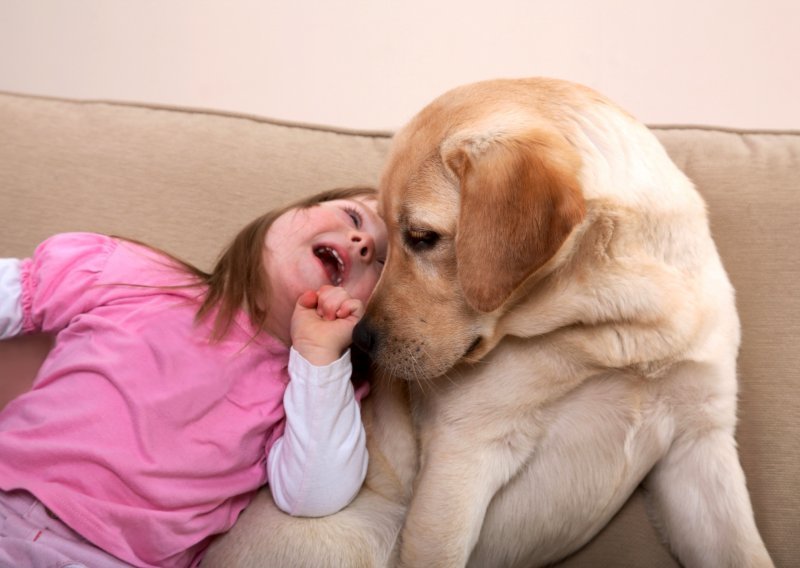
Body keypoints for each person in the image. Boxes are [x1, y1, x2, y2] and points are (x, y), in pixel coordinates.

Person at [0, 186, 388, 568]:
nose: (362, 242)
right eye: (353, 216)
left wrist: (319, 357)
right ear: (285, 214)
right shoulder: (135, 274)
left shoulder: (306, 387)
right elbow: (12, 293)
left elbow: (314, 496)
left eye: (383, 264)